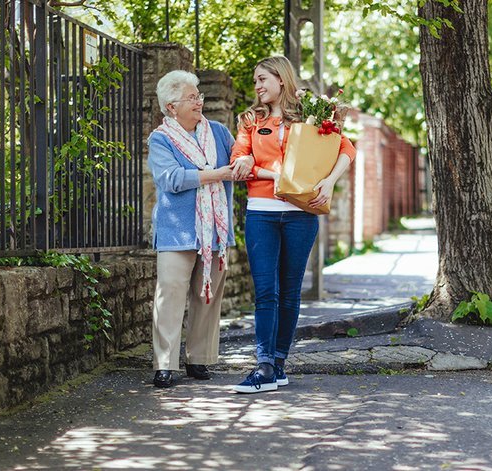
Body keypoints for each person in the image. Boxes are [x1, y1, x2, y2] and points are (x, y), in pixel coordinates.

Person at [229, 56, 356, 393]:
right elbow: (240, 162)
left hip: (302, 214)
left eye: (262, 79)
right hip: (261, 212)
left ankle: (279, 363)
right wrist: (262, 168)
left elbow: (346, 147)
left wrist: (328, 183)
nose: (257, 86)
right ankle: (264, 364)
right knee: (266, 292)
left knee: (289, 292)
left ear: (281, 80)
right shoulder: (250, 121)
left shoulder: (311, 115)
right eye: (255, 81)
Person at [147, 70, 239, 388]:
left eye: (199, 95)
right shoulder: (160, 139)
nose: (199, 101)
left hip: (214, 230)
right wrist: (214, 174)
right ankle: (164, 363)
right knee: (169, 295)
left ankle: (198, 358)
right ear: (172, 106)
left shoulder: (219, 133)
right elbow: (170, 179)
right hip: (176, 230)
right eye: (192, 97)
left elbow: (242, 157)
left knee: (207, 297)